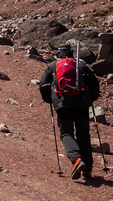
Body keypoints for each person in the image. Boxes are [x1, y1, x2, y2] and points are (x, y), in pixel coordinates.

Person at [39, 41, 101, 181]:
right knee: (83, 134)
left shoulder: (52, 66)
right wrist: (91, 98)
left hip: (62, 104)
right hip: (82, 104)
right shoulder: (81, 65)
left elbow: (43, 86)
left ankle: (76, 159)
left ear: (57, 54)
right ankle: (88, 170)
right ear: (71, 53)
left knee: (66, 132)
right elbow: (94, 84)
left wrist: (50, 100)